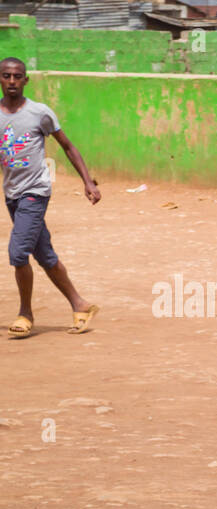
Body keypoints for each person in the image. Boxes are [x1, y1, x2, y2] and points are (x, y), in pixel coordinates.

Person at [1, 58, 100, 339]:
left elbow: (68, 146)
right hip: (12, 195)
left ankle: (25, 313)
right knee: (44, 255)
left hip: (35, 193)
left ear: (25, 81)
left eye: (17, 76)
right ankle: (80, 305)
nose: (11, 81)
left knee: (18, 252)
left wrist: (88, 181)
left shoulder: (39, 113)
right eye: (6, 76)